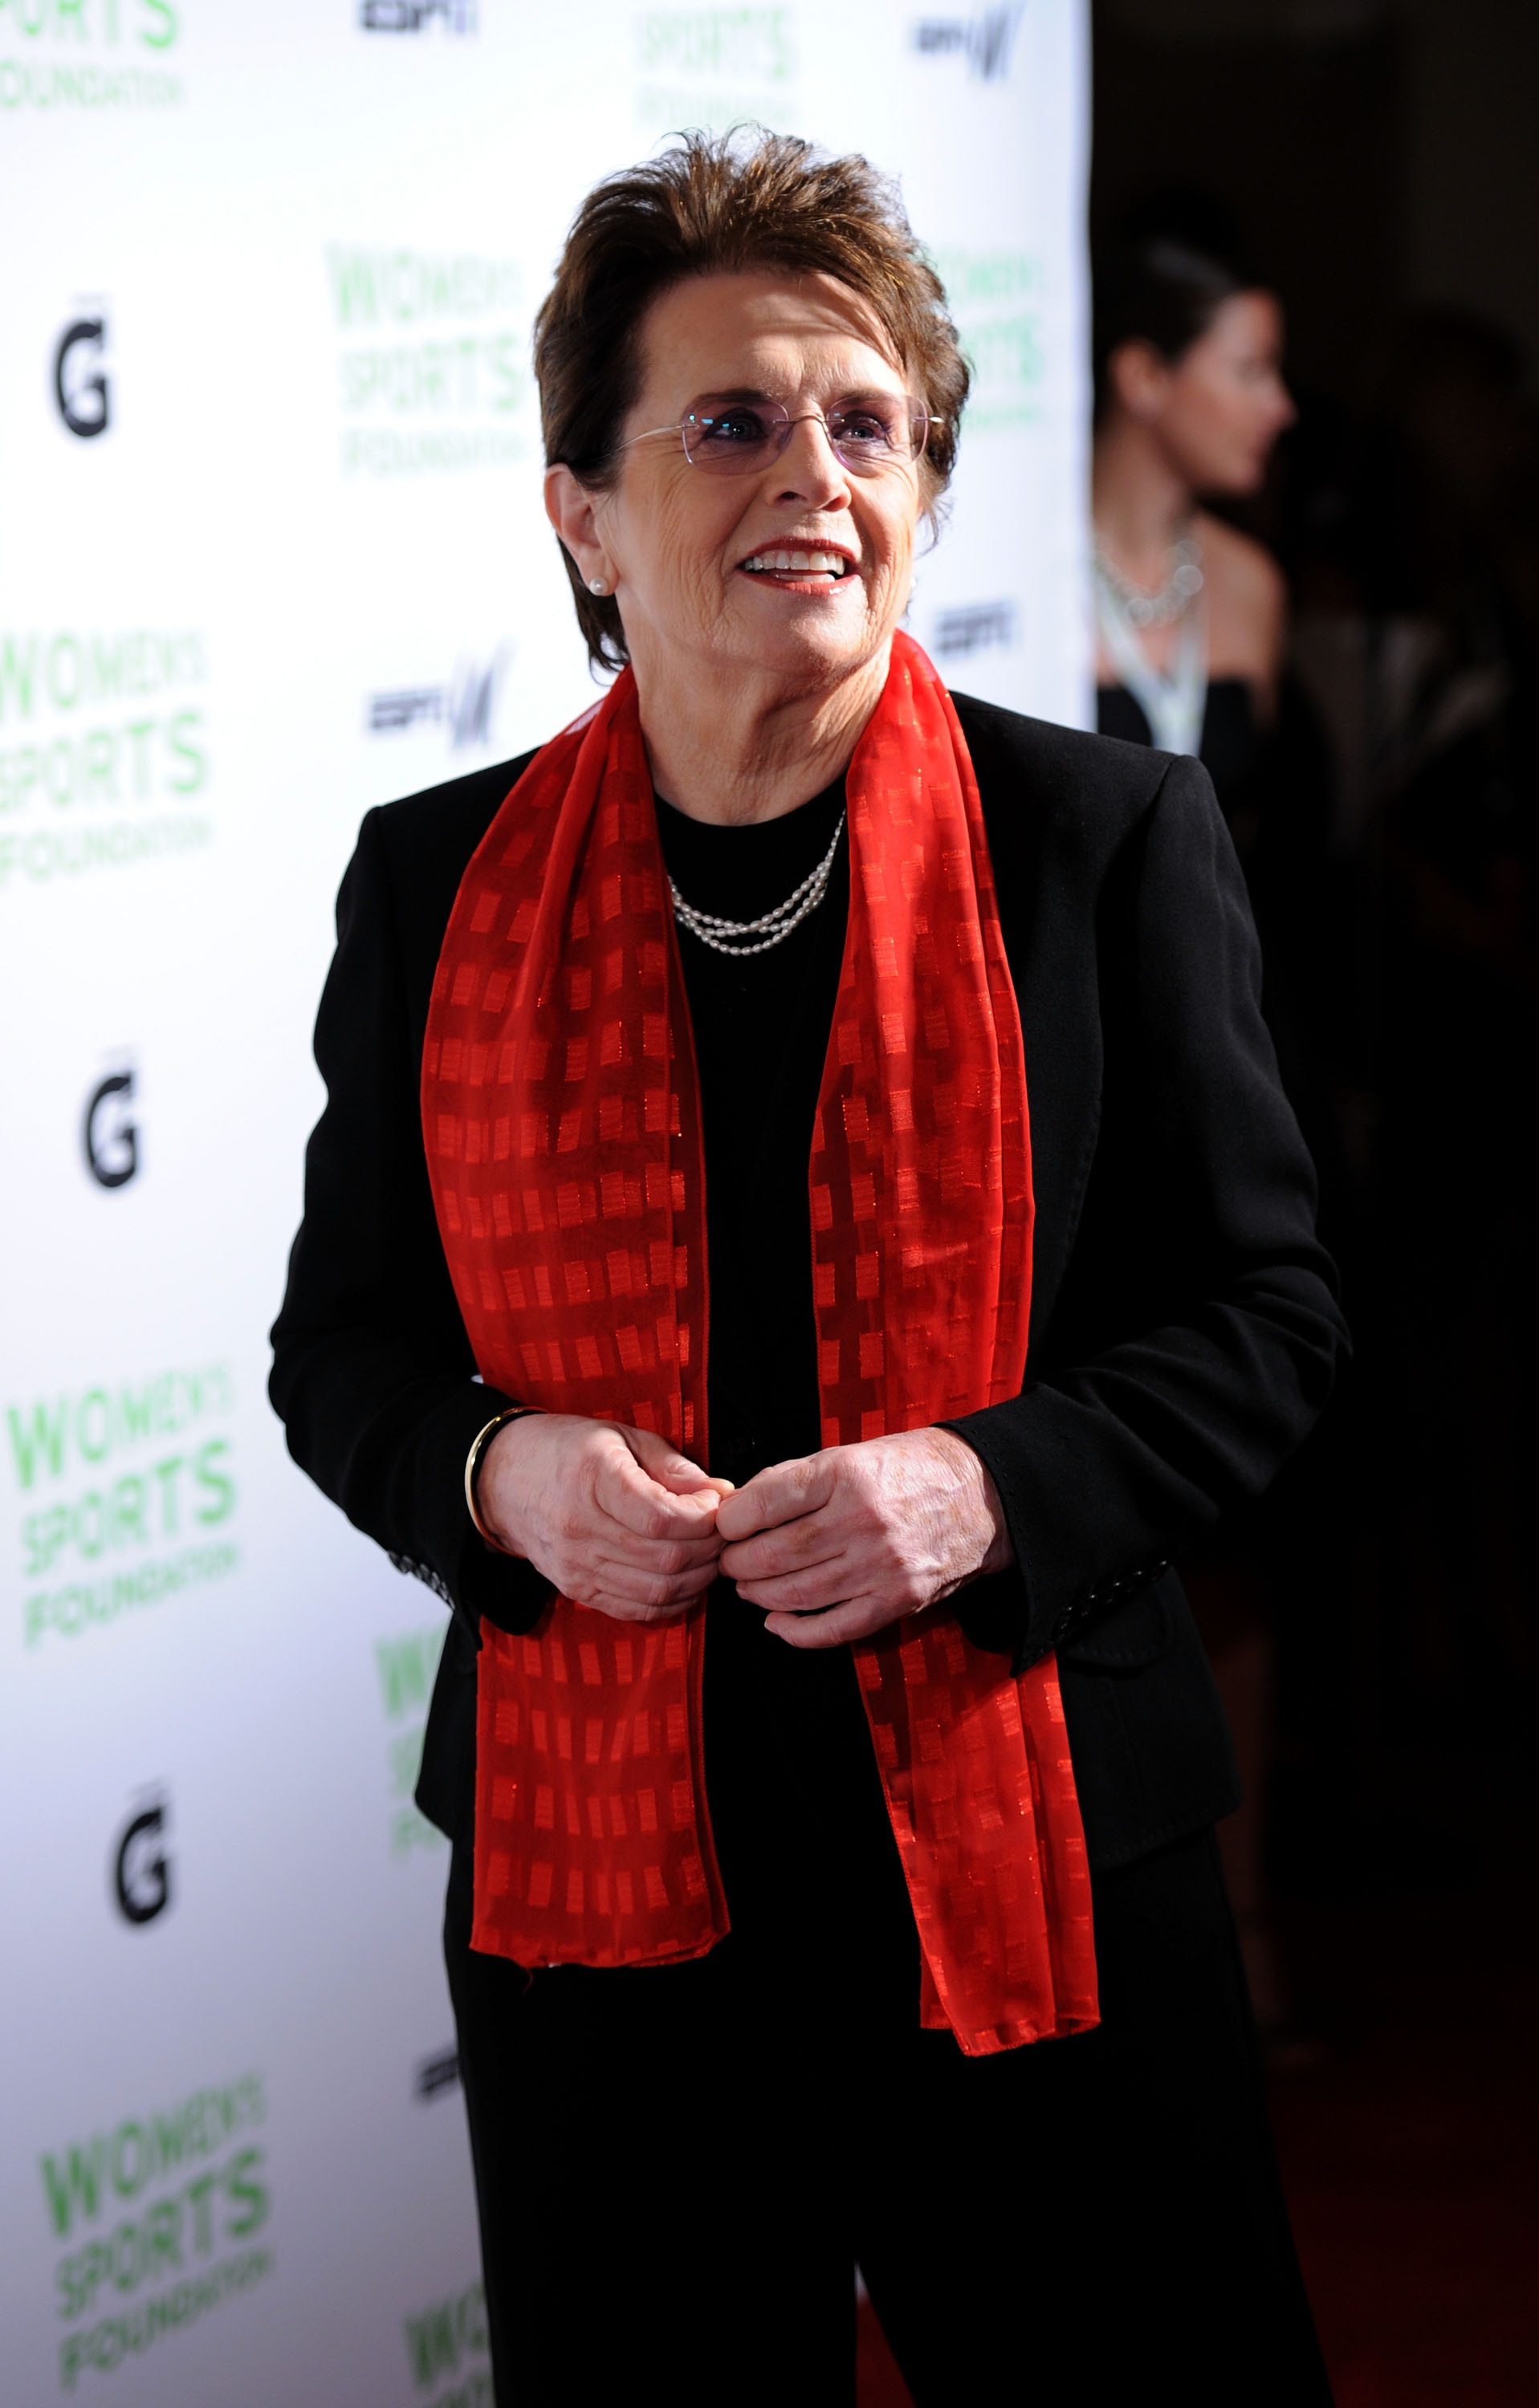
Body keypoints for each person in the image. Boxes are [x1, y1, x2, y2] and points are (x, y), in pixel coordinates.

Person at [271, 132, 1345, 2406]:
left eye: (867, 424)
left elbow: (1266, 1327)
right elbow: (340, 1354)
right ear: (578, 511)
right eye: (732, 420)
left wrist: (988, 1487)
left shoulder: (1098, 845)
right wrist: (500, 1469)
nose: (816, 477)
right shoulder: (430, 883)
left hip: (1037, 1849)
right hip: (604, 1916)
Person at [1092, 212, 1295, 806]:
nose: (1279, 406)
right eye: (1250, 369)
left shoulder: (1250, 581)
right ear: (1143, 375)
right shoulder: (1027, 578)